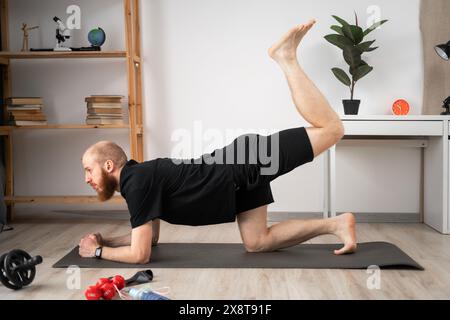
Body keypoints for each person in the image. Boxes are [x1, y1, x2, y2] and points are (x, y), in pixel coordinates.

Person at [79, 19, 357, 264]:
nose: (86, 178)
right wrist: (108, 242)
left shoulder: (135, 182)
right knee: (257, 242)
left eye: (88, 170)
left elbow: (140, 255)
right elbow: (149, 238)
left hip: (244, 162)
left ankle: (286, 58)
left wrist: (97, 253)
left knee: (331, 129)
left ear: (107, 165)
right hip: (236, 181)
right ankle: (337, 224)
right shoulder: (137, 181)